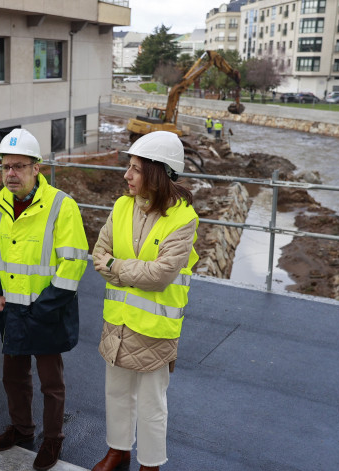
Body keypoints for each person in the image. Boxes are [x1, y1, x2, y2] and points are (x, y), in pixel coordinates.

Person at [90, 131, 199, 471]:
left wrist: (116, 267)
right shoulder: (121, 206)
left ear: (156, 171)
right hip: (118, 322)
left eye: (135, 168)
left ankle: (150, 464)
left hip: (155, 328)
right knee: (117, 393)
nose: (127, 175)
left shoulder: (184, 219)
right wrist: (127, 268)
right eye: (129, 167)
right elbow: (98, 256)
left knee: (152, 404)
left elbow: (161, 275)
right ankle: (118, 450)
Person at [0, 129, 88, 471]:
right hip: (11, 308)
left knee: (51, 382)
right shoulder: (0, 204)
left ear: (36, 169)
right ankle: (21, 428)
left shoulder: (61, 205)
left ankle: (53, 438)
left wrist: (43, 306)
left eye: (19, 166)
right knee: (13, 376)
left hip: (47, 310)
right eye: (5, 166)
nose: (10, 173)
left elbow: (73, 263)